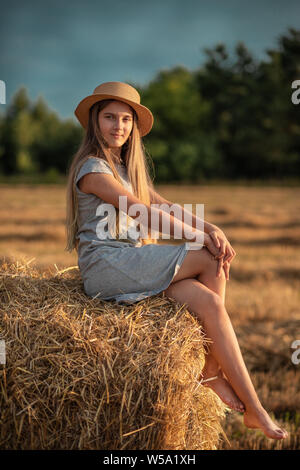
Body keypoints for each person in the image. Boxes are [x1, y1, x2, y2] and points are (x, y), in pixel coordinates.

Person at [65, 81, 288, 440]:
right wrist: (200, 238)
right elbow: (142, 212)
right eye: (109, 117)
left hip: (133, 262)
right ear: (94, 121)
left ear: (134, 128)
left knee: (210, 301)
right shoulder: (92, 168)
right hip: (107, 267)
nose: (118, 126)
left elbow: (163, 205)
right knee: (209, 258)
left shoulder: (125, 167)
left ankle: (242, 397)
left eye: (125, 119)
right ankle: (217, 372)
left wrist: (210, 226)